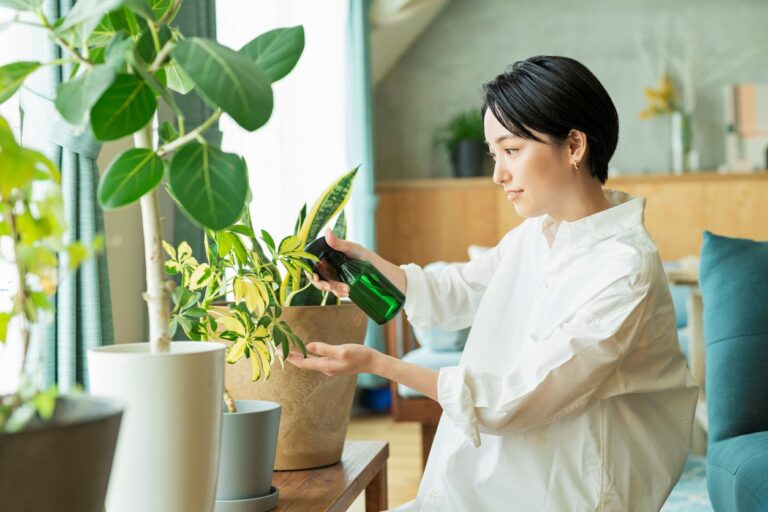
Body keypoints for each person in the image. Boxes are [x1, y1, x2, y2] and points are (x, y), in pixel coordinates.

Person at [287, 55, 699, 511]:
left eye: (512, 150)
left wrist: (379, 364)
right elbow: (457, 292)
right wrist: (365, 266)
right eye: (493, 154)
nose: (498, 175)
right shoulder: (539, 233)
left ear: (574, 146)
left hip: (572, 492)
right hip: (501, 476)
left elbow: (517, 398)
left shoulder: (624, 268)